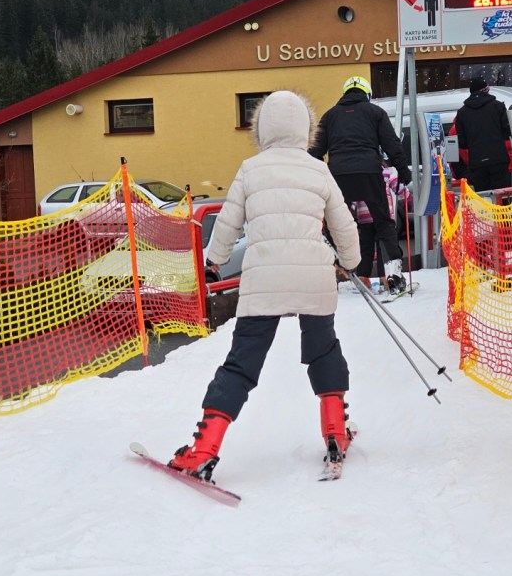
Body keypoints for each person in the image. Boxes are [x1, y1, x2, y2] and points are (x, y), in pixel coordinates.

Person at [168, 90, 362, 481]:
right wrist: (351, 261)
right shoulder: (317, 170)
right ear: (305, 129)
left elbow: (228, 222)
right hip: (313, 277)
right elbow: (343, 223)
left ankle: (204, 449)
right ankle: (335, 433)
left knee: (242, 363)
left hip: (264, 280)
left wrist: (215, 259)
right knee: (324, 351)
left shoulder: (251, 168)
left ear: (261, 128)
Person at [309, 75, 411, 294]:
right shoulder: (375, 113)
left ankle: (347, 273)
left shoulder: (330, 116)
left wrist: (314, 175)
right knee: (384, 224)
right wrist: (403, 170)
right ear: (367, 94)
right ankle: (393, 277)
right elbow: (391, 143)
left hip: (338, 175)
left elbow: (316, 149)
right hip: (369, 172)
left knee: (339, 225)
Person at [352, 166, 410, 291]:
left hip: (364, 217)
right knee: (383, 246)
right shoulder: (388, 172)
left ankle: (363, 277)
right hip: (383, 215)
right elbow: (399, 189)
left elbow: (353, 196)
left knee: (366, 248)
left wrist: (352, 208)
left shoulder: (359, 173)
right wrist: (405, 194)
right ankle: (385, 277)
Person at [453, 78, 512, 192]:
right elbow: (507, 132)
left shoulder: (462, 113)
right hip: (498, 159)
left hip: (476, 162)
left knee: (483, 197)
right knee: (501, 196)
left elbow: (462, 142)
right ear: (486, 90)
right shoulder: (498, 106)